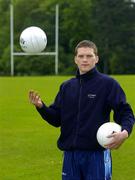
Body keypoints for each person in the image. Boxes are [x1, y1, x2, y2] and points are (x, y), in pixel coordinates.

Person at [29, 40, 135, 180]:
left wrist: (125, 132)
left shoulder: (108, 84)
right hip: (70, 156)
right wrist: (41, 107)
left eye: (89, 56)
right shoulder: (67, 87)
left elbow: (125, 112)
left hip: (96, 155)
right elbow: (56, 119)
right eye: (81, 56)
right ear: (75, 59)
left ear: (96, 59)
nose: (85, 59)